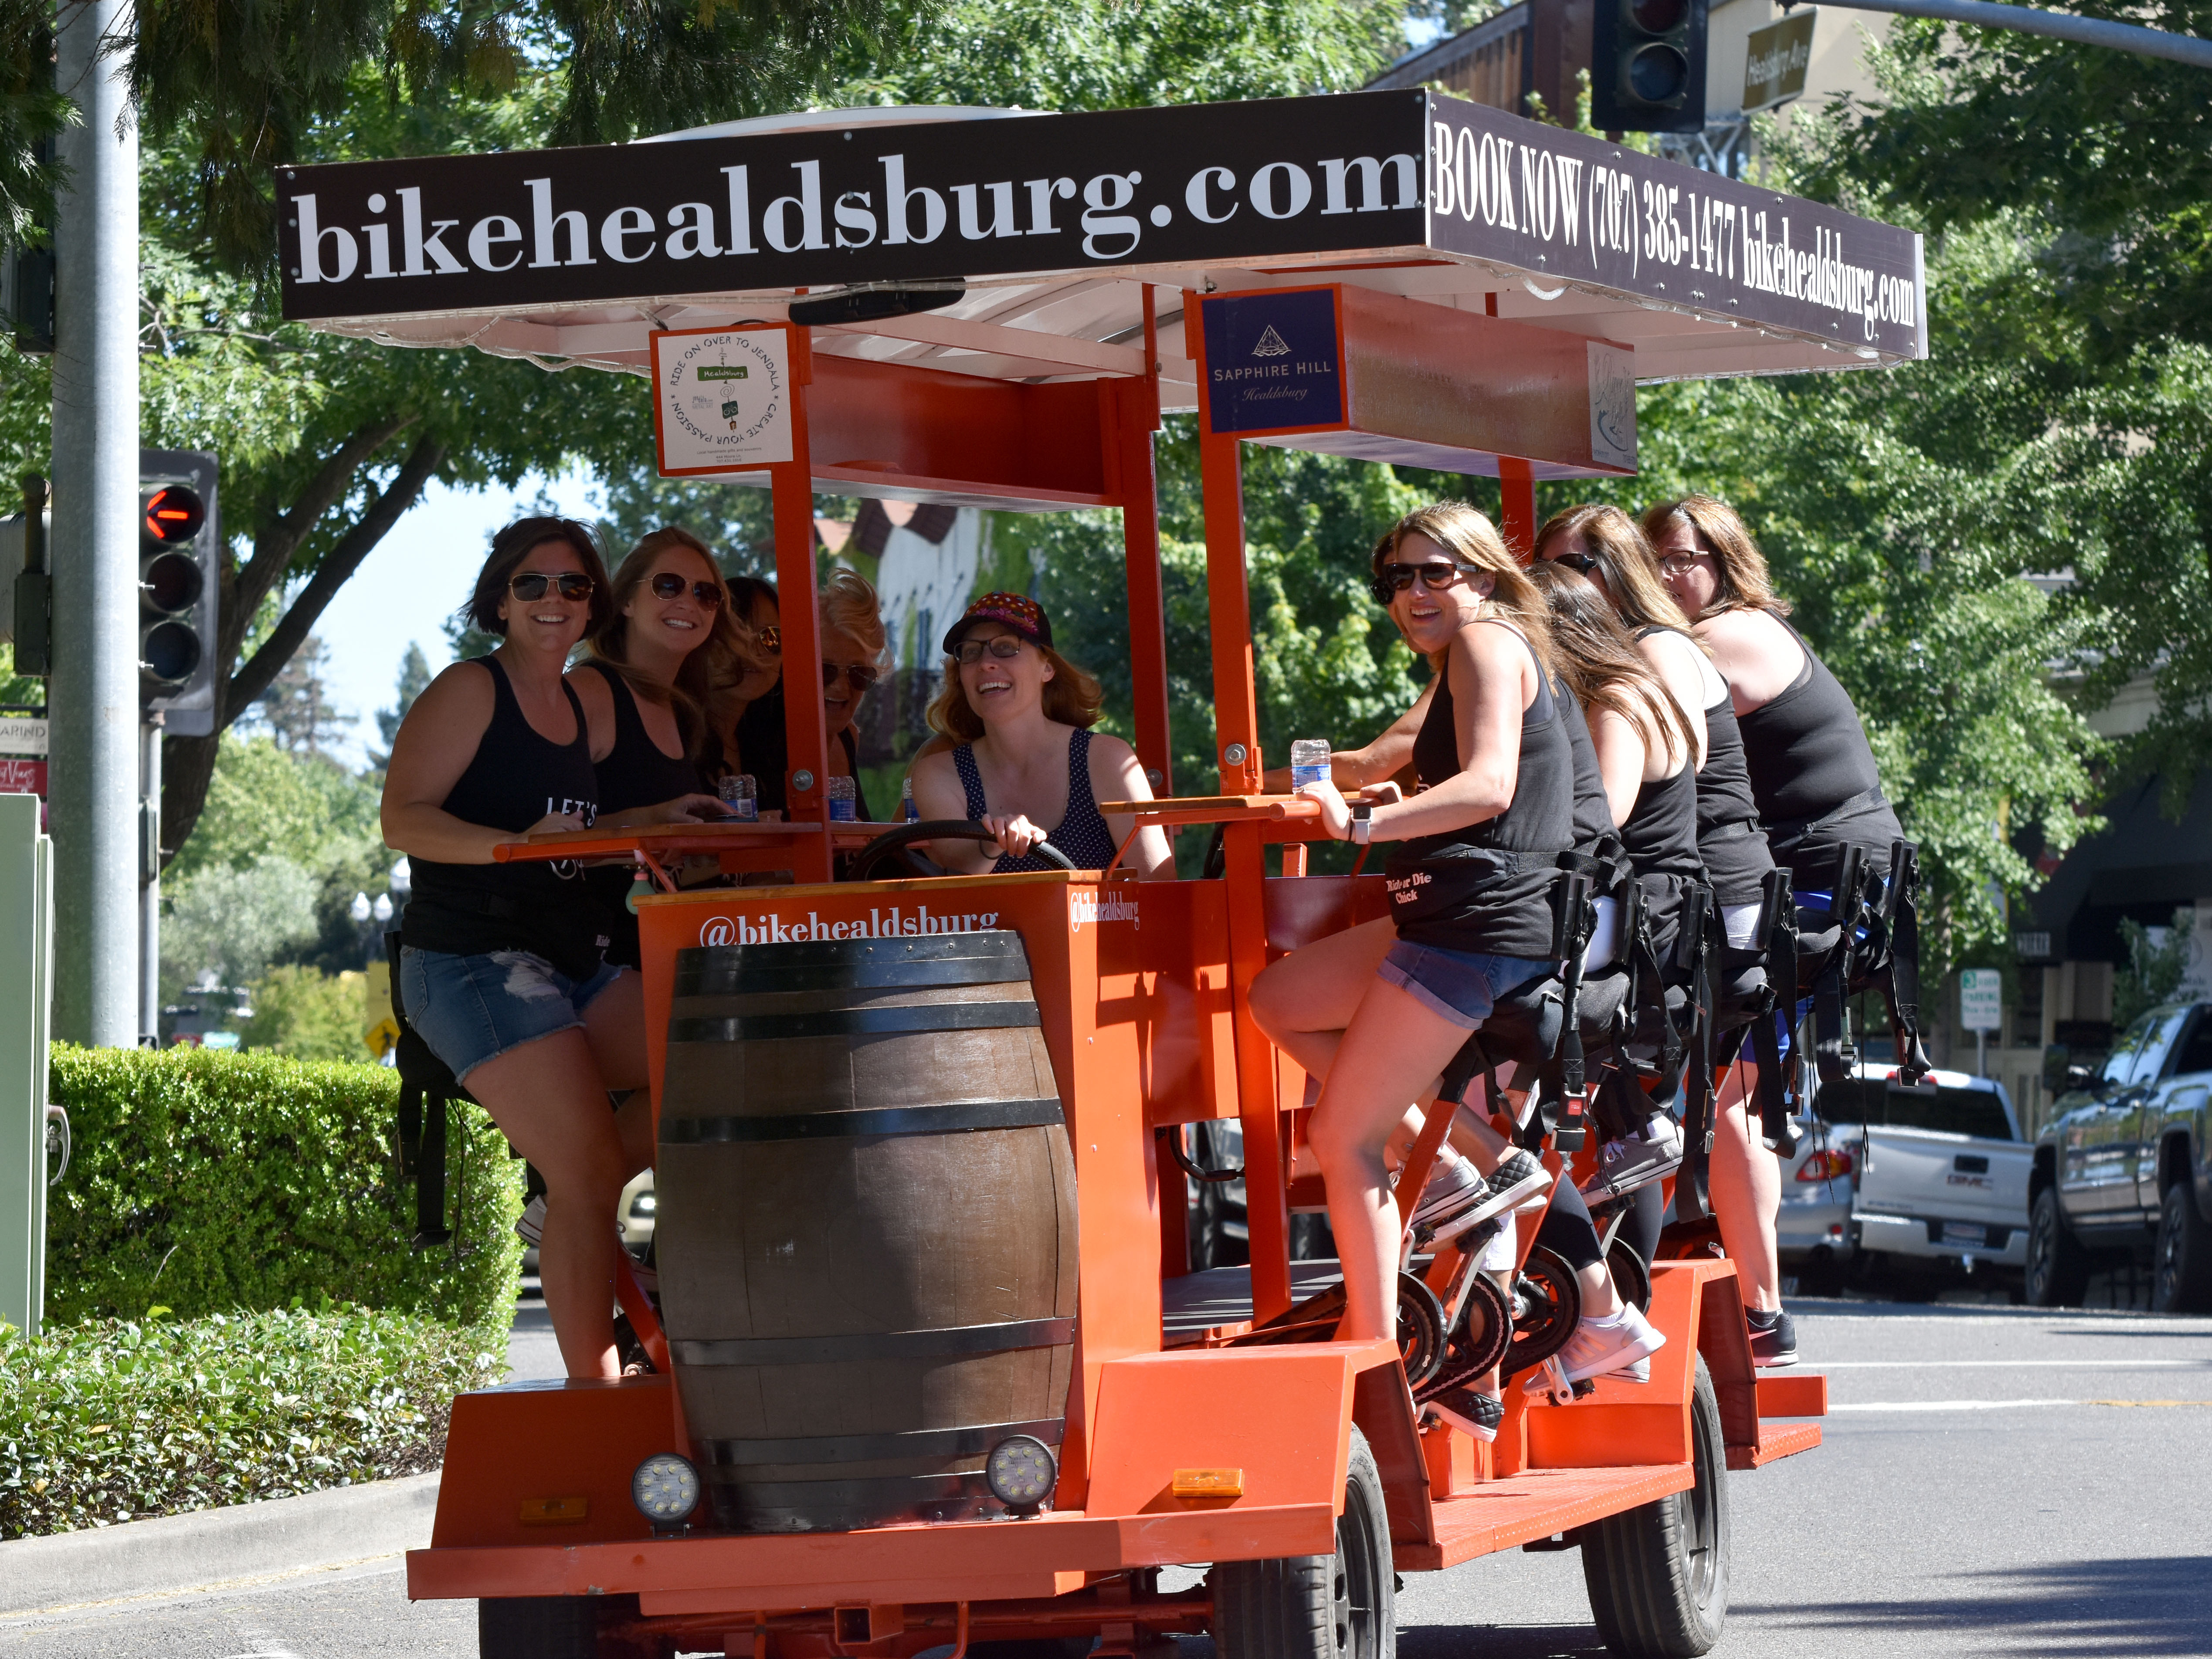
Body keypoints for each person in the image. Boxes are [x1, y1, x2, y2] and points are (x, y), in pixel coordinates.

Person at [381, 518, 721, 1379]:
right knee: (589, 1170)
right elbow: (402, 819)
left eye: (574, 586)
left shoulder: (573, 700)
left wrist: (649, 824)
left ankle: (573, 1209)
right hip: (468, 960)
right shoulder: (469, 688)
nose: (555, 600)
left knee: (716, 1057)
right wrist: (511, 846)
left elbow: (572, 828)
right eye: (534, 584)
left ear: (592, 604)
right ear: (500, 598)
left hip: (566, 960)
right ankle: (593, 1396)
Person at [1644, 494, 1902, 1368]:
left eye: (1687, 556)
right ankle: (1718, 1268)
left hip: (1822, 887)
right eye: (1657, 558)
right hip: (1812, 881)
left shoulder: (1721, 639)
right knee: (1721, 1085)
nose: (1671, 572)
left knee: (1731, 1092)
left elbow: (1627, 712)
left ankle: (1761, 1309)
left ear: (1724, 562)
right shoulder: (1705, 638)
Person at [572, 527, 758, 965]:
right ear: (626, 602)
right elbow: (539, 834)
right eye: (668, 585)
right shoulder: (590, 690)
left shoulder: (681, 709)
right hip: (589, 958)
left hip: (657, 944)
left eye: (706, 593)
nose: (688, 602)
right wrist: (652, 826)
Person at [908, 593, 1175, 877]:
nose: (986, 663)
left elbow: (1159, 886)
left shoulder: (1108, 760)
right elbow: (955, 871)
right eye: (971, 652)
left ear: (1048, 667)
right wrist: (992, 846)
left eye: (1006, 647)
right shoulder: (938, 773)